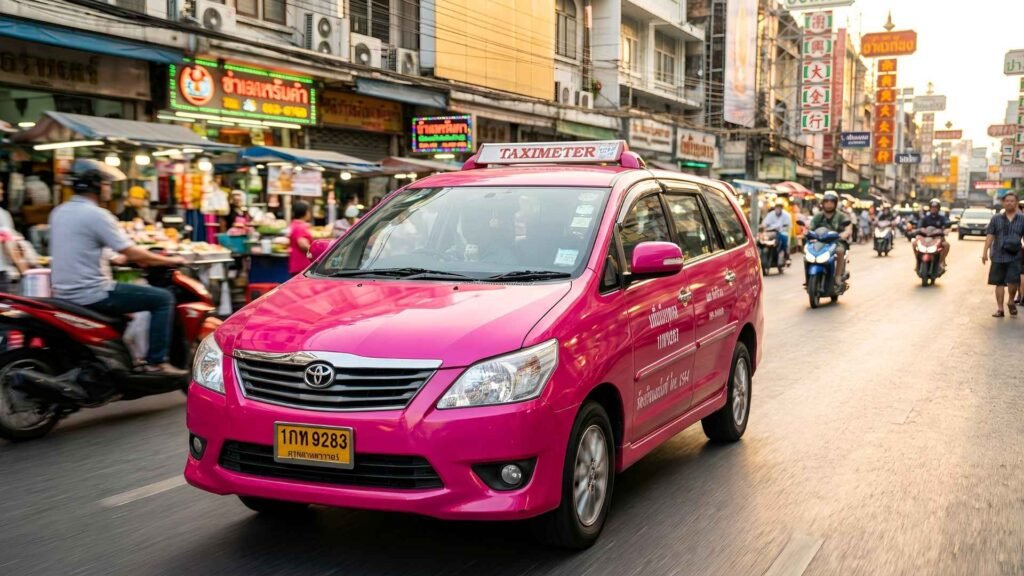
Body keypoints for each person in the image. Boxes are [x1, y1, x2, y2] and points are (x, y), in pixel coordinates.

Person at [50, 159, 187, 376]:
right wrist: (170, 261)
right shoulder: (97, 214)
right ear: (95, 185)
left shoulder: (59, 212)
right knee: (163, 299)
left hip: (63, 292)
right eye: (106, 183)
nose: (108, 188)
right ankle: (157, 362)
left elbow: (85, 245)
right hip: (92, 293)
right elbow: (130, 251)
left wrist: (116, 258)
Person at [982, 192, 1024, 318]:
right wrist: (985, 252)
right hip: (998, 255)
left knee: (1013, 281)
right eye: (1007, 201)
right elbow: (990, 235)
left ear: (1016, 203)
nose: (1009, 203)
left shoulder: (1022, 219)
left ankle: (1011, 300)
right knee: (998, 282)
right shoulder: (996, 218)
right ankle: (1000, 309)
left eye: (1012, 201)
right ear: (1003, 203)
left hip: (1015, 255)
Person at [810, 191, 852, 289]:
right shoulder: (818, 216)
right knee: (808, 252)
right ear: (823, 203)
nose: (829, 204)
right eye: (826, 202)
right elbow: (810, 227)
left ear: (835, 203)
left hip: (836, 242)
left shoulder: (841, 216)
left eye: (831, 202)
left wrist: (845, 233)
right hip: (820, 242)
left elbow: (848, 227)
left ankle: (837, 276)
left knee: (840, 251)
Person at [914, 199, 951, 270]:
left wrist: (945, 231)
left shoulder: (942, 218)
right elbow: (919, 226)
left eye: (935, 207)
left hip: (937, 238)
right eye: (932, 207)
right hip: (925, 239)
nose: (933, 209)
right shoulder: (925, 218)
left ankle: (941, 261)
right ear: (930, 208)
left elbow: (946, 226)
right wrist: (918, 230)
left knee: (946, 245)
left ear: (938, 208)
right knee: (914, 243)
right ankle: (917, 262)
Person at [288, 200, 314, 275]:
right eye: (309, 211)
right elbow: (302, 244)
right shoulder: (300, 227)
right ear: (305, 212)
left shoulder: (294, 224)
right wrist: (316, 251)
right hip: (301, 265)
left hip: (296, 264)